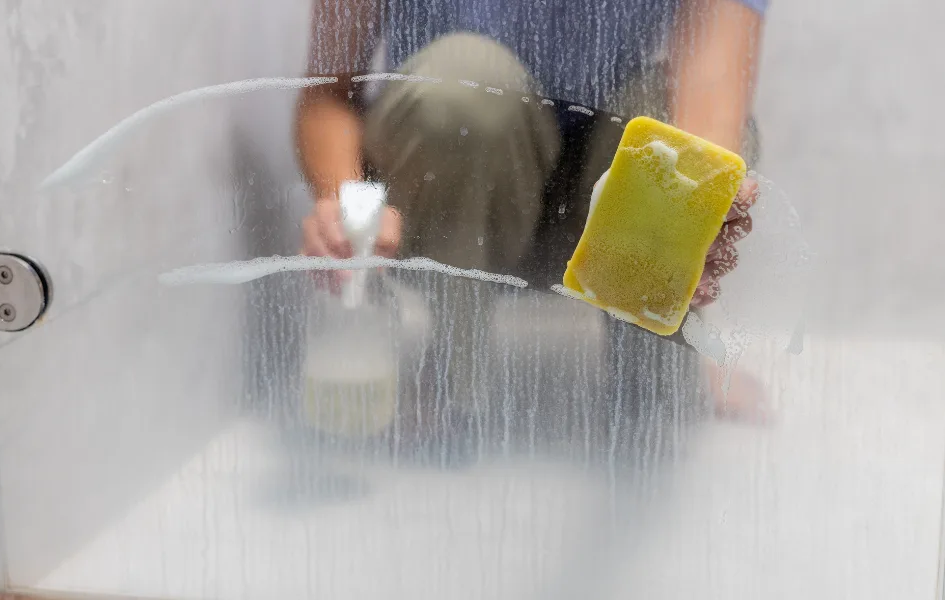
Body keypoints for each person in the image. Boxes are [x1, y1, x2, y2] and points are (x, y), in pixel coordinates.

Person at [296, 0, 769, 456]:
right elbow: (329, 88)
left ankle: (653, 378)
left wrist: (692, 216)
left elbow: (709, 94)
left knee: (674, 147)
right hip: (443, 195)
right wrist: (349, 207)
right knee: (465, 83)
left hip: (600, 204)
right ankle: (453, 373)